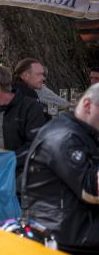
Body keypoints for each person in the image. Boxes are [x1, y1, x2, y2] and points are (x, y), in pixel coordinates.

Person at [22, 84, 99, 254]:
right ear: (87, 105)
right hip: (65, 239)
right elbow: (91, 191)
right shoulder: (63, 137)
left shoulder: (86, 132)